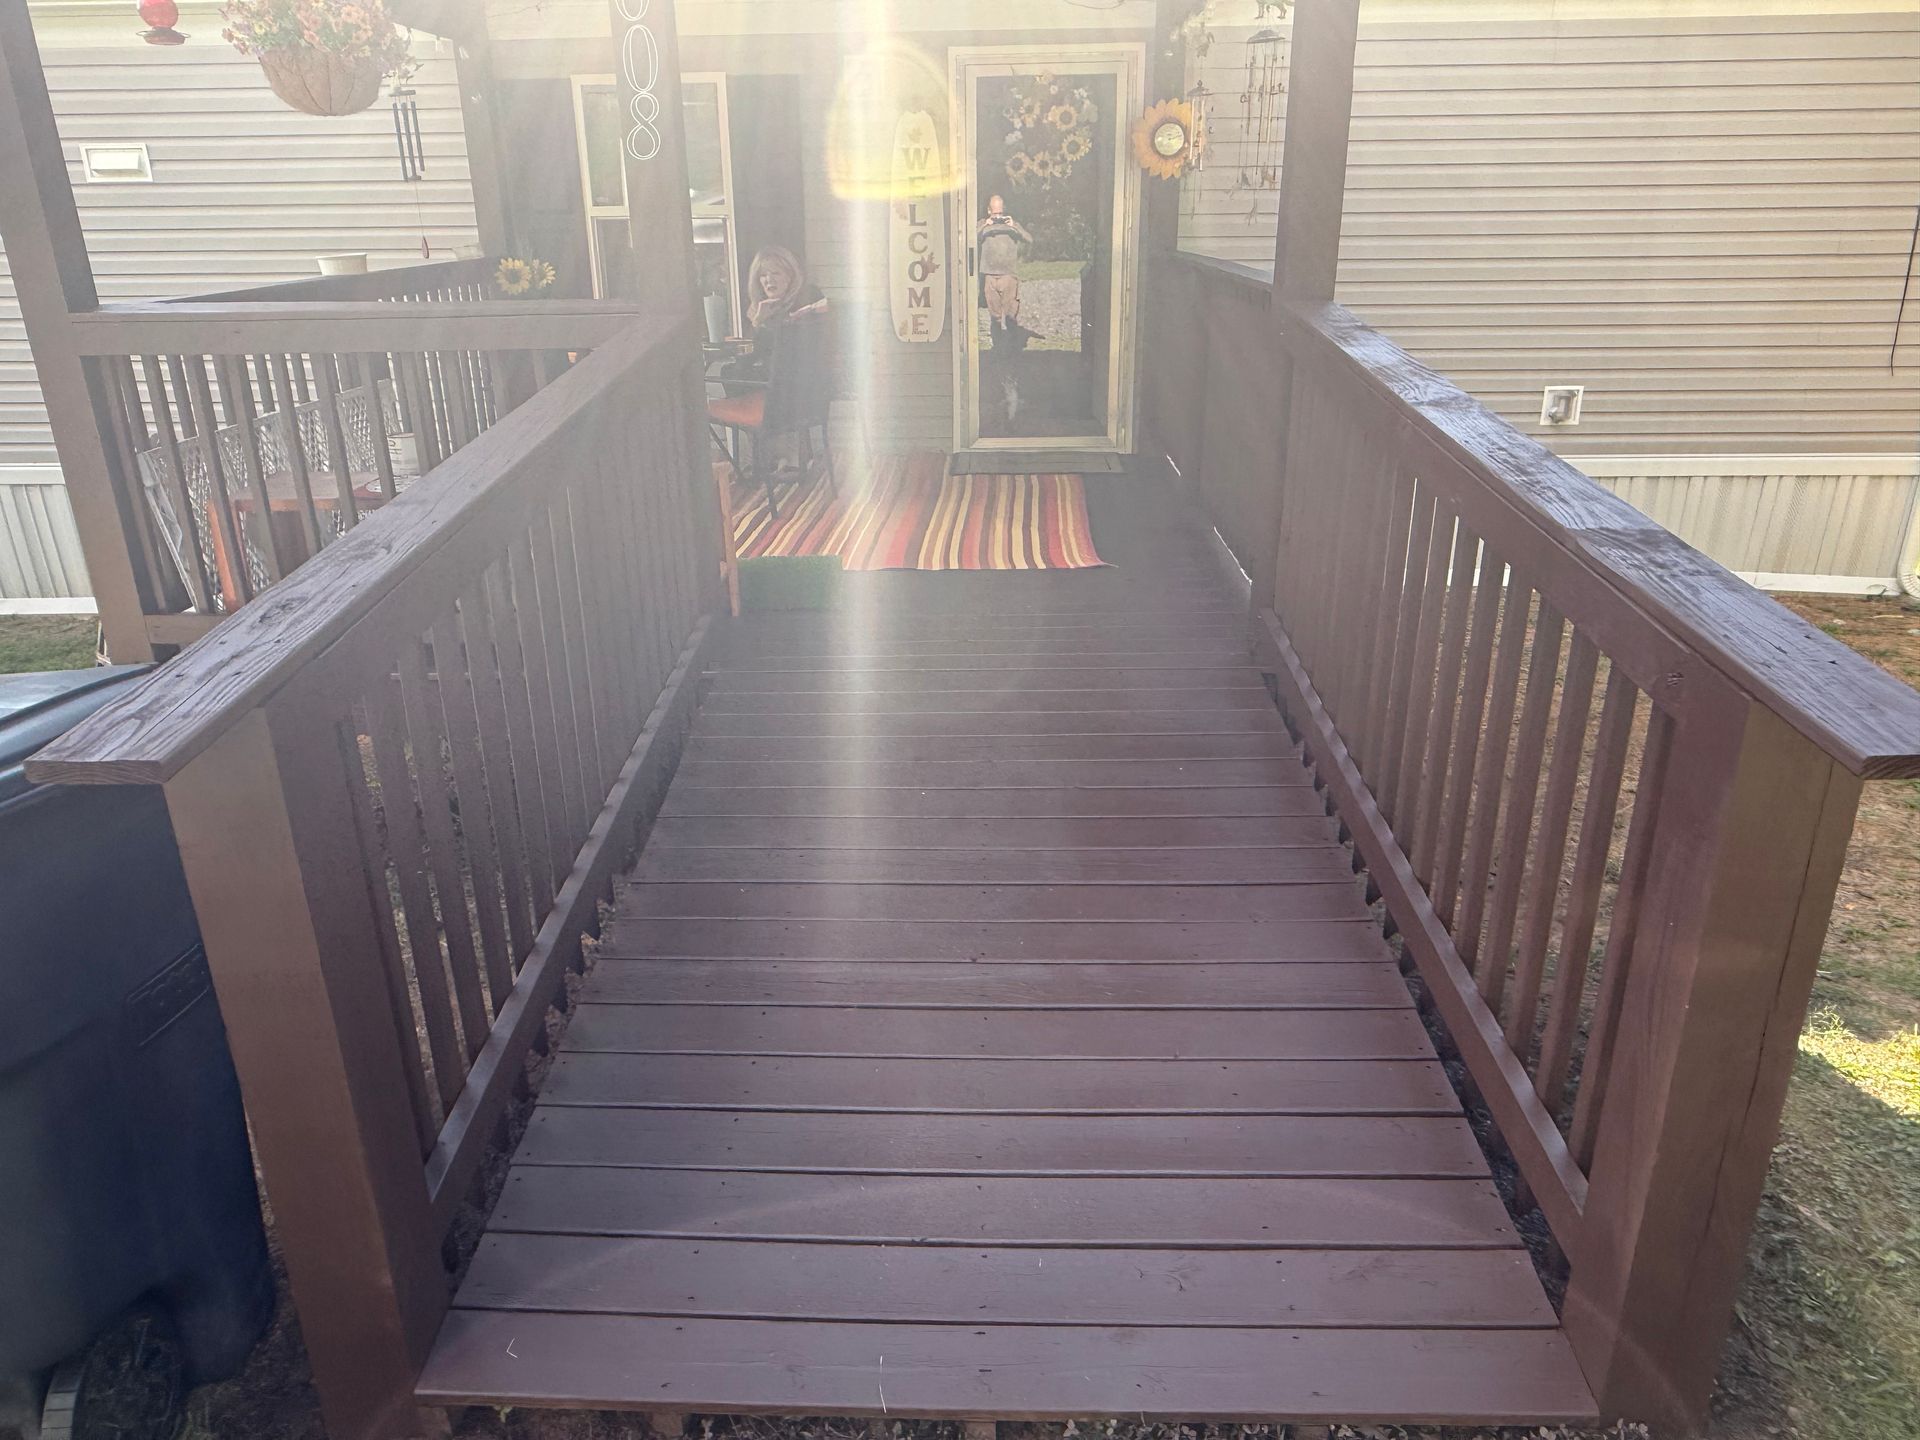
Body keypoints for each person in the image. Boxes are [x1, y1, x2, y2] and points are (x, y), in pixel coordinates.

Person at [976, 195, 1031, 332]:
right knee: (995, 317)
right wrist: (985, 224)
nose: (998, 217)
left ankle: (1011, 349)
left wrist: (1014, 226)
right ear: (989, 211)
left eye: (1000, 213)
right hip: (989, 276)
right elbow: (968, 239)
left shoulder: (1012, 224)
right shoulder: (983, 224)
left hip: (1008, 275)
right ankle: (997, 348)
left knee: (1011, 316)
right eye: (995, 214)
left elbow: (1029, 239)